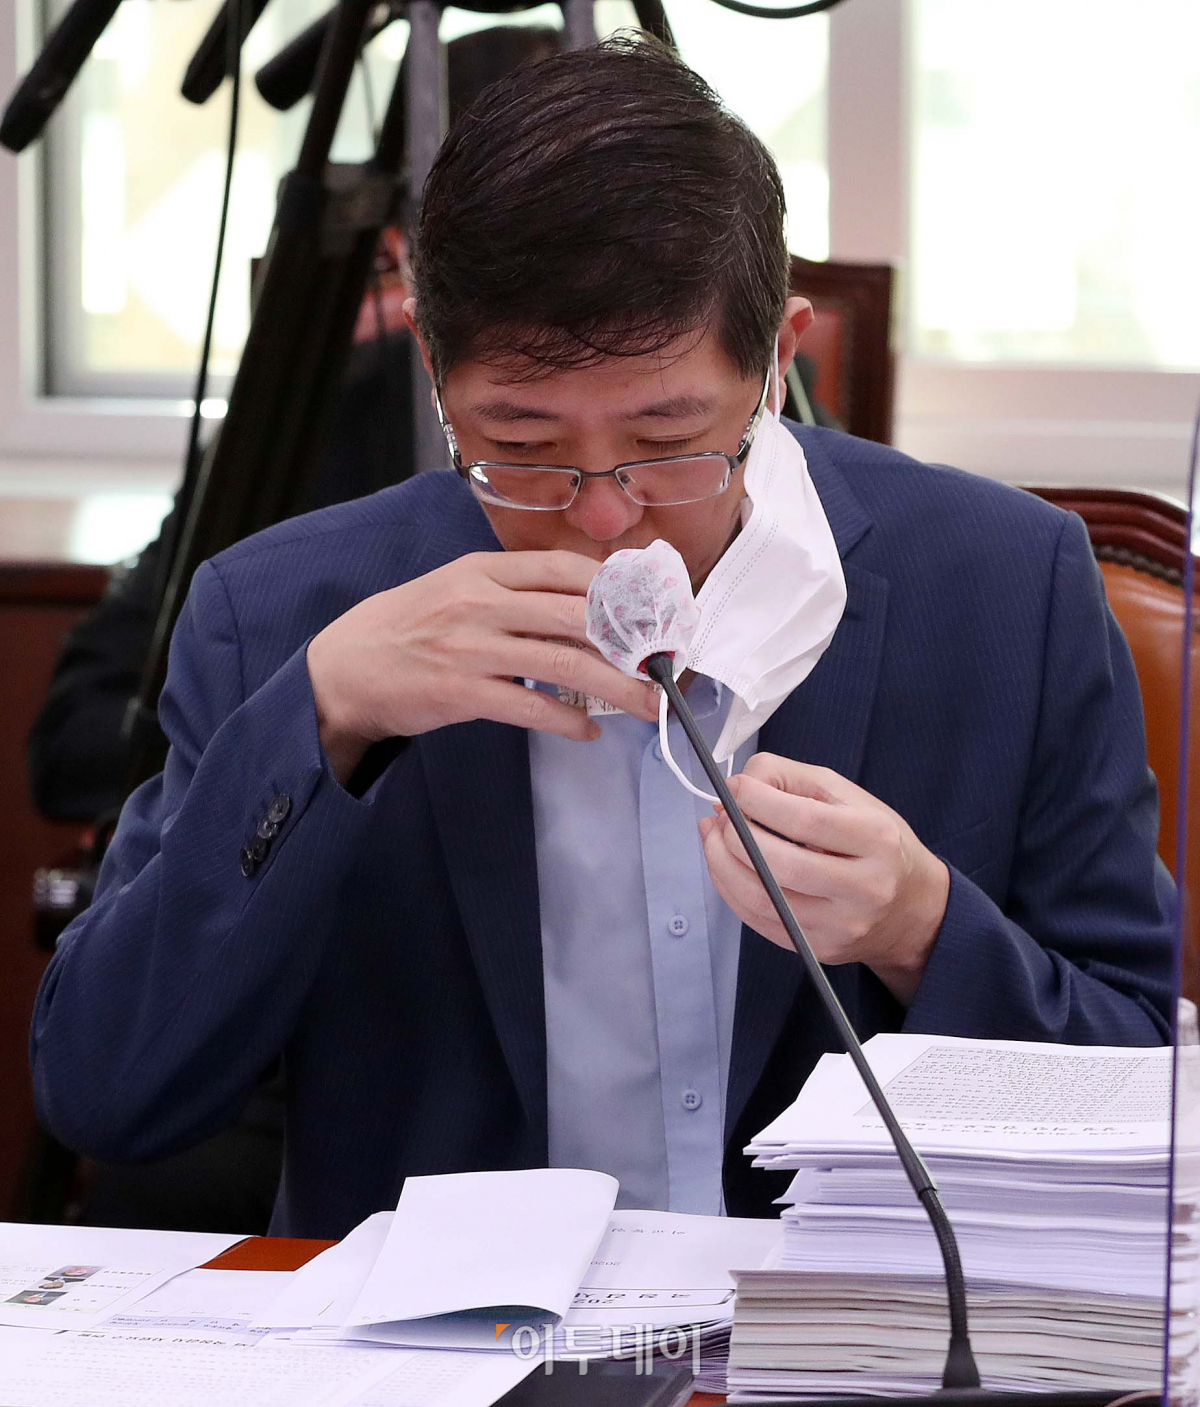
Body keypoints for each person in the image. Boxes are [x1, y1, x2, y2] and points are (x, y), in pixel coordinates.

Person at [30, 35, 1174, 1239]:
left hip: (856, 1319)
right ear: (433, 369)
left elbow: (1139, 1082)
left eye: (668, 442)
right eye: (521, 447)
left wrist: (920, 929)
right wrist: (322, 722)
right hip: (443, 1330)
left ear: (777, 361)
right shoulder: (284, 612)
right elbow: (111, 1094)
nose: (603, 516)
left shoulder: (1005, 586)